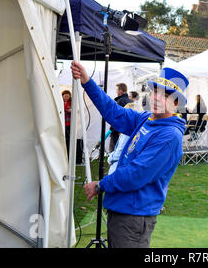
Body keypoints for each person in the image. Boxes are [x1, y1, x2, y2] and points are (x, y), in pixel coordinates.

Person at [71, 61, 189, 248]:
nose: (157, 98)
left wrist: (100, 185)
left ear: (175, 103)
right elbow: (114, 112)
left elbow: (136, 174)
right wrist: (87, 81)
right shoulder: (147, 119)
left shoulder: (168, 135)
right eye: (155, 91)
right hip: (124, 211)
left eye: (165, 95)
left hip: (133, 215)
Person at [108, 83, 133, 152]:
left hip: (117, 131)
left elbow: (116, 117)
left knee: (114, 152)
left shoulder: (120, 101)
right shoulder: (130, 101)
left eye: (117, 90)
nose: (116, 91)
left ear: (121, 91)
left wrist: (112, 129)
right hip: (128, 132)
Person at [62, 90, 72, 156]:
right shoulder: (60, 102)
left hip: (69, 124)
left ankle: (68, 151)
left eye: (68, 96)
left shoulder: (71, 102)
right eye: (65, 96)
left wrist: (70, 110)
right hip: (62, 123)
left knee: (68, 138)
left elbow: (74, 110)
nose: (66, 97)